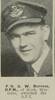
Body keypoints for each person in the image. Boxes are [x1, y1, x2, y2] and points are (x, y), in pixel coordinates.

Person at [1, 0, 52, 76]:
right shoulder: (15, 72)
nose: (22, 43)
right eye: (15, 36)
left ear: (45, 32)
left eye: (29, 34)